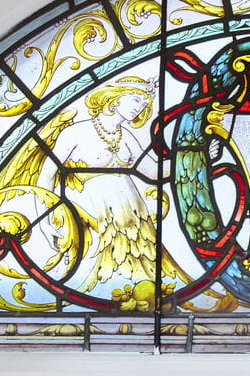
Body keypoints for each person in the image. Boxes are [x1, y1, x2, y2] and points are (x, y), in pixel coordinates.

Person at [41, 76, 182, 292]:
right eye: (136, 100)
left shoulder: (125, 137)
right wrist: (44, 220)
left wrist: (192, 156)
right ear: (115, 98)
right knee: (89, 285)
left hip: (136, 222)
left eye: (144, 104)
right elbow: (47, 176)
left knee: (151, 277)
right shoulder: (75, 133)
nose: (140, 107)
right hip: (94, 221)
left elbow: (155, 172)